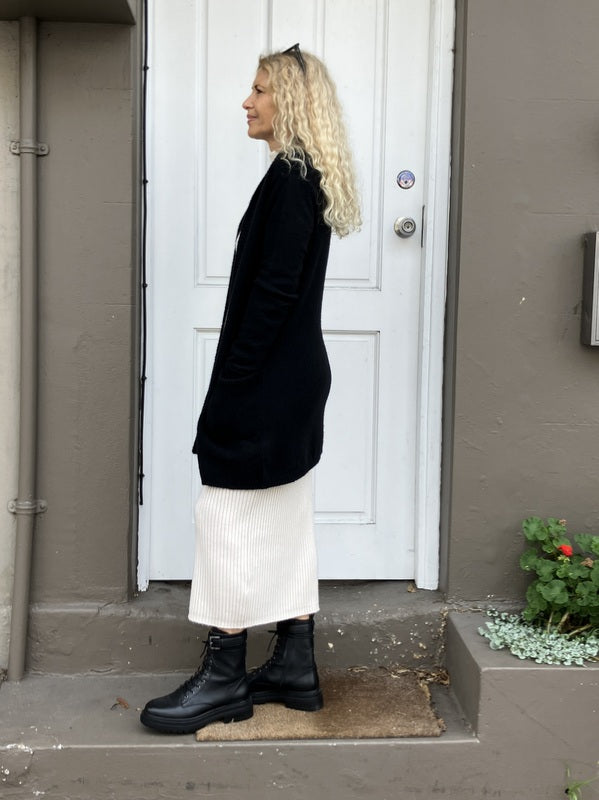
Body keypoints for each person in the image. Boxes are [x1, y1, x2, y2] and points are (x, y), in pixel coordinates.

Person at [140, 44, 361, 734]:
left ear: (289, 100)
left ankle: (224, 678)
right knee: (281, 518)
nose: (247, 100)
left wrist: (231, 386)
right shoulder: (298, 175)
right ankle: (293, 665)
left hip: (270, 380)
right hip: (289, 378)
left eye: (260, 89)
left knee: (226, 518)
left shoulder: (292, 180)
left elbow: (272, 295)